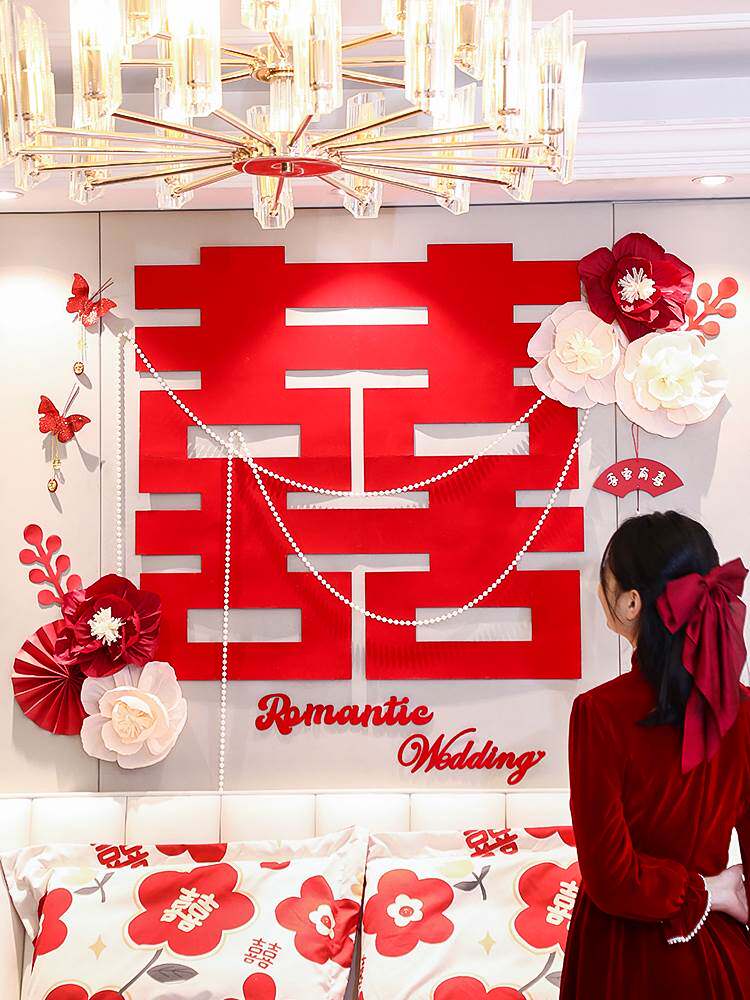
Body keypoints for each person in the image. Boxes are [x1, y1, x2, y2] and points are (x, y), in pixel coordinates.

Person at [560, 511, 750, 998]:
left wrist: (701, 893)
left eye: (605, 579)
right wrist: (711, 891)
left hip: (620, 958)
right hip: (720, 956)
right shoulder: (745, 711)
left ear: (631, 602)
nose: (598, 591)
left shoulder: (597, 713)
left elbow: (611, 879)